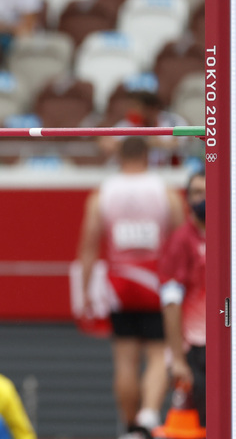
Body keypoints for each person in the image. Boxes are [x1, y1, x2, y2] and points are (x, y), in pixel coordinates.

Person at [77, 136, 185, 439]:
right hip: (155, 282)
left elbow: (88, 247)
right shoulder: (166, 193)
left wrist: (85, 293)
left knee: (125, 360)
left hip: (119, 284)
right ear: (148, 156)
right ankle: (148, 415)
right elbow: (180, 242)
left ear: (119, 157)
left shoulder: (102, 194)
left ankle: (129, 428)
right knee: (158, 355)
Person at [159, 171, 206, 425]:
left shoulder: (227, 236)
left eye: (209, 192)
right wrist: (176, 359)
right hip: (196, 350)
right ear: (187, 199)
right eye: (198, 193)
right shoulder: (180, 242)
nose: (204, 199)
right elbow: (171, 303)